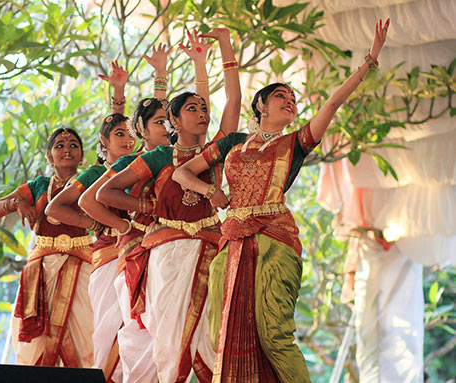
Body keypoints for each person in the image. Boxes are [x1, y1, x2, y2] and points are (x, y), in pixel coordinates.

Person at [172, 18, 390, 383]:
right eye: (281, 97)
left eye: (293, 99)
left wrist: (370, 58)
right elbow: (183, 173)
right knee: (220, 335)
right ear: (261, 105)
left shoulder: (296, 144)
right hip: (232, 240)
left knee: (274, 335)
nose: (290, 102)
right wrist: (213, 191)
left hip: (276, 238)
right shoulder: (232, 144)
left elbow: (334, 102)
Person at [97, 27, 241, 383]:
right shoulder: (160, 155)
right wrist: (143, 209)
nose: (202, 113)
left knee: (211, 342)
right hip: (167, 253)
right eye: (192, 109)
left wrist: (224, 47)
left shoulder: (215, 151)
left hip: (211, 249)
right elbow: (105, 194)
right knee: (169, 341)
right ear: (174, 121)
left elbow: (235, 102)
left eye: (204, 108)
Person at [80, 33, 209, 383]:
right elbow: (93, 197)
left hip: (167, 247)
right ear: (140, 130)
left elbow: (168, 119)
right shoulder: (140, 161)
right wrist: (131, 221)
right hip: (129, 253)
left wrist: (164, 75)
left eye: (170, 122)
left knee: (166, 334)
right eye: (159, 123)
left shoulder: (174, 155)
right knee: (131, 334)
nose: (167, 126)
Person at [47, 47, 170, 383]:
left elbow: (156, 125)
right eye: (120, 135)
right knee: (109, 338)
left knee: (151, 333)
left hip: (150, 252)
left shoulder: (143, 164)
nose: (128, 138)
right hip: (109, 258)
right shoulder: (96, 174)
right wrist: (109, 224)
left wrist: (159, 76)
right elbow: (56, 208)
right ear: (103, 141)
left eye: (131, 133)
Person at [0, 127, 94, 367]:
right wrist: (15, 202)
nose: (67, 150)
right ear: (48, 155)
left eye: (74, 145)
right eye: (59, 146)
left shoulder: (91, 180)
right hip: (41, 271)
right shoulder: (38, 186)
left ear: (82, 155)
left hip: (82, 267)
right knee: (36, 343)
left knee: (84, 336)